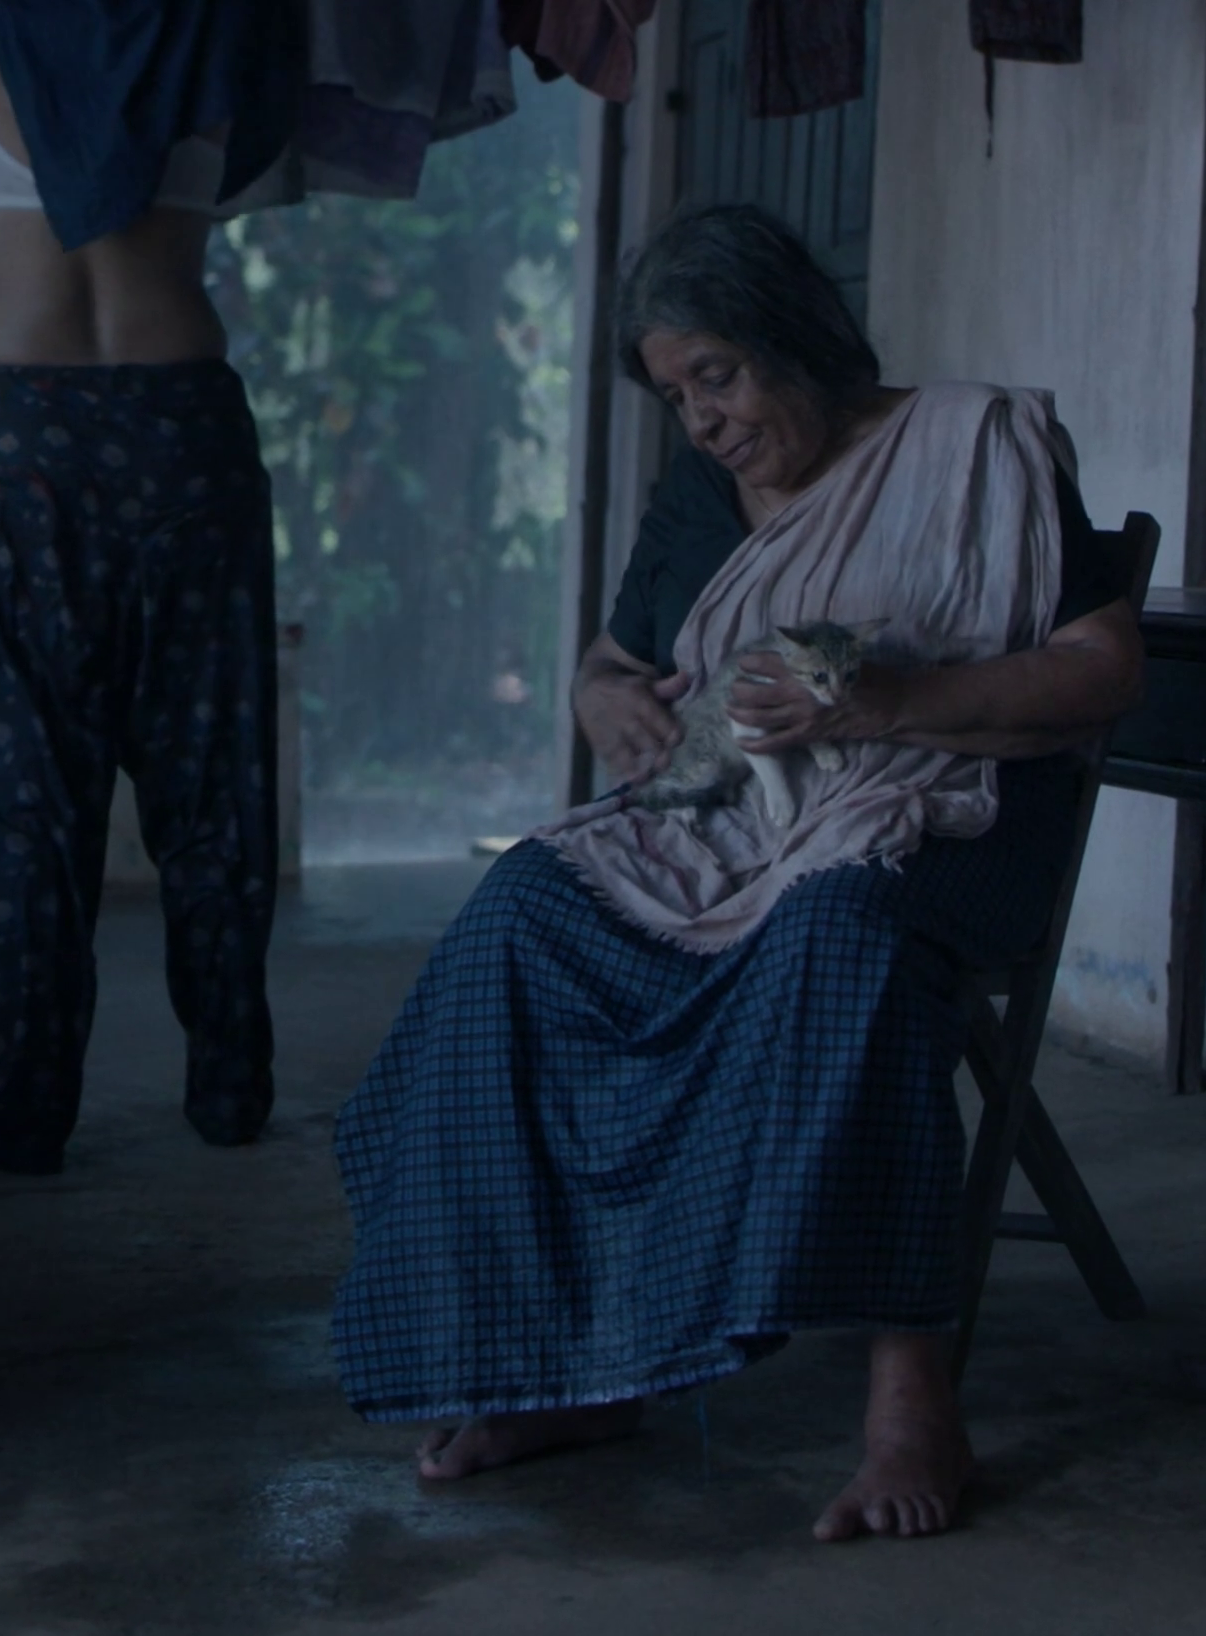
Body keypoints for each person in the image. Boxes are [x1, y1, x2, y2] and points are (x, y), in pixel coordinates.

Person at [329, 205, 1144, 1541]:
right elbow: (614, 658)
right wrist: (601, 699)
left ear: (794, 336)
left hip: (937, 811)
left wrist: (890, 701)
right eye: (676, 396)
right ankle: (571, 1369)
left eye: (717, 376)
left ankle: (911, 1400)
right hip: (724, 823)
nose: (703, 421)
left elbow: (1104, 672)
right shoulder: (703, 497)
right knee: (519, 914)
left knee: (841, 934)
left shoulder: (972, 447)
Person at [0, 0, 294, 1175]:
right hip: (182, 424)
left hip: (27, 426)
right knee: (212, 777)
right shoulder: (208, 5)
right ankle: (229, 1087)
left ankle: (20, 1115)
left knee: (16, 790)